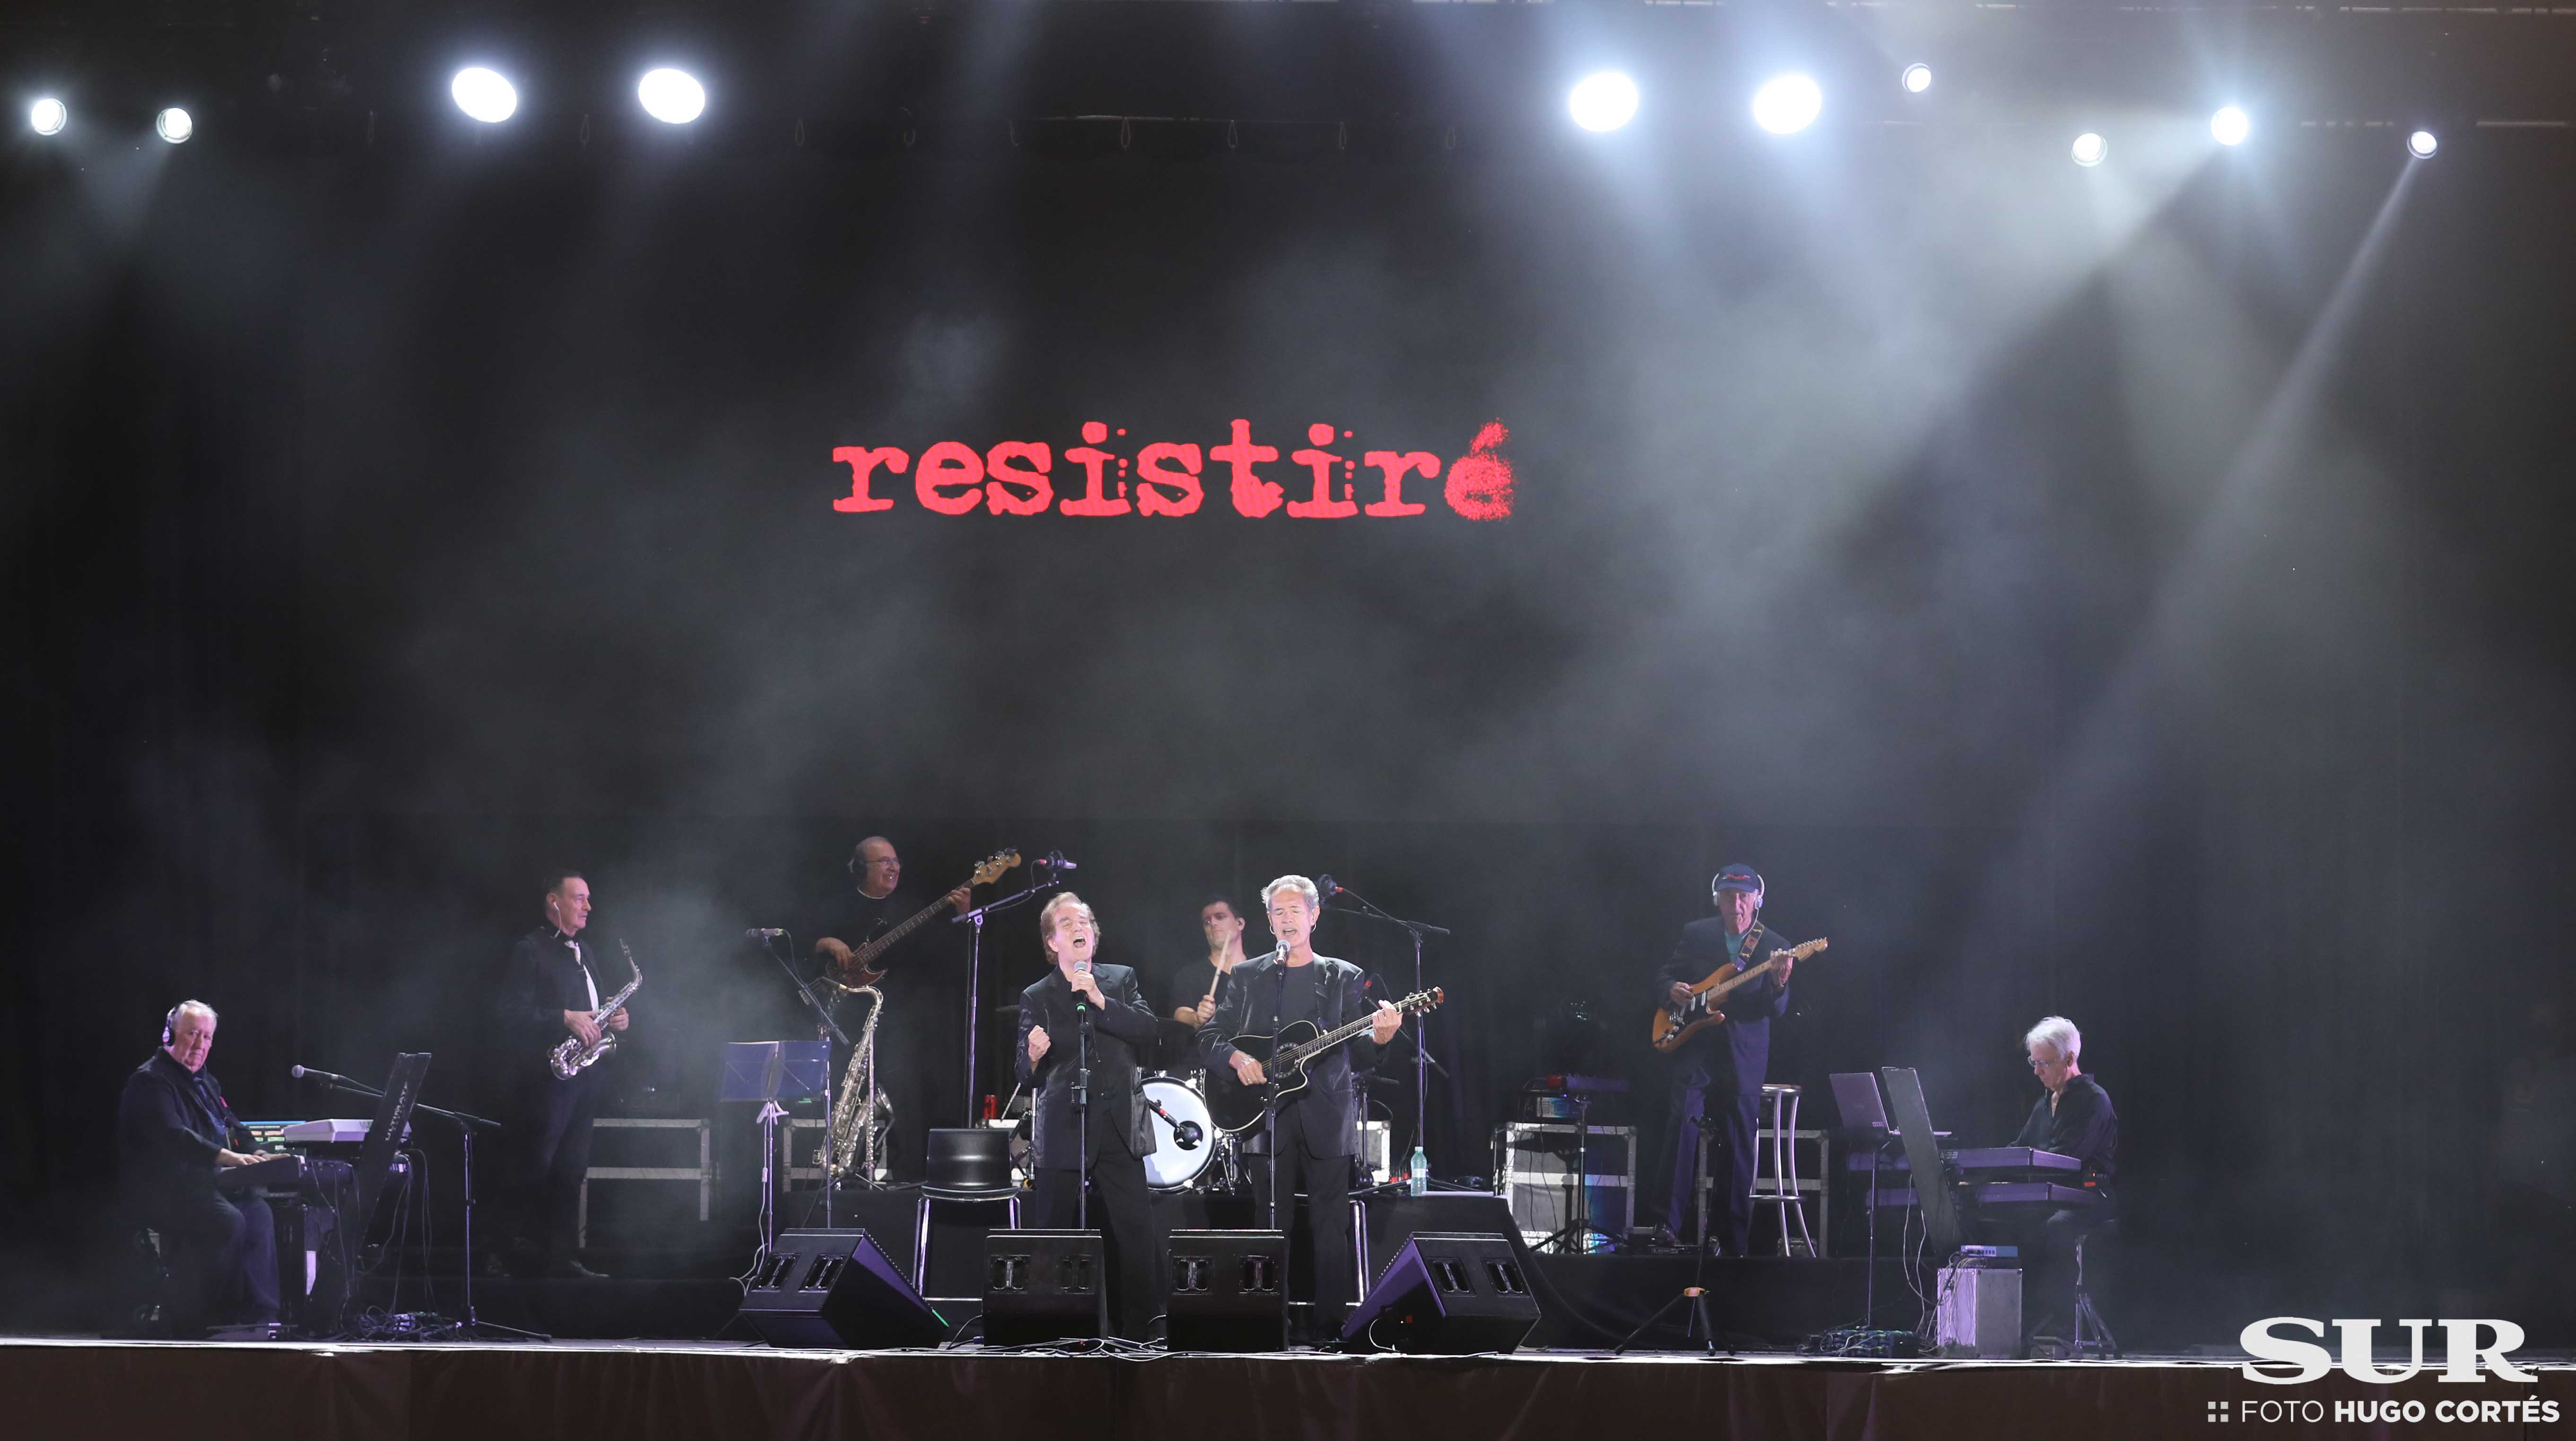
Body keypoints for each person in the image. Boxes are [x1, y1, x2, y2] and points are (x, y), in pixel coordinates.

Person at [1201, 874, 1403, 1343]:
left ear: (1314, 916)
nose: (1287, 919)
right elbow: (1210, 1036)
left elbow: (1362, 1051)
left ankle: (1332, 1324)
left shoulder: (1343, 976)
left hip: (1326, 1114)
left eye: (1295, 910)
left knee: (1329, 1223)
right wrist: (1236, 1057)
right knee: (1271, 1221)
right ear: (1269, 921)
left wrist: (1381, 1036)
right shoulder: (1249, 975)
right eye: (1278, 912)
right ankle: (1266, 1320)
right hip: (1264, 1114)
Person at [1014, 892, 1166, 1340]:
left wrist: (1100, 999)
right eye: (1067, 921)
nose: (1079, 925)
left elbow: (1148, 1029)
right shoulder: (1036, 995)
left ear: (1093, 935)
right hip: (1065, 1125)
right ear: (1052, 940)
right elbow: (1025, 1074)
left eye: (1085, 919)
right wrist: (1034, 1055)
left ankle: (1141, 1332)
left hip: (1119, 1124)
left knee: (1135, 1234)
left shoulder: (1119, 979)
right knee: (1056, 1234)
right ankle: (1053, 1329)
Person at [1654, 863, 1797, 1256]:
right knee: (1681, 1118)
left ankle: (1730, 1238)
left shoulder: (1774, 946)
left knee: (1739, 1137)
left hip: (1743, 1052)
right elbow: (1665, 976)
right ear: (1718, 898)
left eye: (1744, 895)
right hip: (1696, 1043)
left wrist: (1779, 982)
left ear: (1757, 899)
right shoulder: (1697, 933)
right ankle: (1666, 1224)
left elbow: (1775, 1008)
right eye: (1730, 894)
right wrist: (1674, 991)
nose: (1737, 902)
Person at [495, 870, 630, 1278]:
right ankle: (502, 1252)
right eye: (580, 898)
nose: (588, 906)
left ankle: (563, 1257)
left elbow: (595, 1011)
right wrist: (563, 1018)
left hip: (584, 1076)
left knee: (573, 1169)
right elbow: (510, 1014)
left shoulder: (585, 951)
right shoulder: (529, 950)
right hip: (544, 1079)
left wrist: (615, 1017)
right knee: (532, 1167)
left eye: (588, 899)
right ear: (555, 902)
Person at [116, 1000, 281, 1332]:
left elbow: (234, 1126)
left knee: (259, 1212)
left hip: (205, 1187)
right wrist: (226, 1156)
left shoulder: (207, 1083)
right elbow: (174, 1135)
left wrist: (261, 1153)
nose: (200, 1044)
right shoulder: (150, 1081)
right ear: (170, 1034)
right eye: (192, 1033)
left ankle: (262, 1319)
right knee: (229, 1220)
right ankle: (211, 1319)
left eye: (206, 1037)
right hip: (165, 1193)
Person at [809, 835, 969, 1166]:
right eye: (884, 861)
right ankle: (840, 1174)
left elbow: (945, 957)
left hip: (898, 1024)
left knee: (907, 1103)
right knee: (845, 1100)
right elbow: (805, 941)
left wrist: (963, 917)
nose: (893, 866)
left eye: (896, 861)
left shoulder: (911, 909)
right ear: (861, 868)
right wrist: (829, 942)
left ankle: (908, 1182)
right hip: (849, 1022)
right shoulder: (838, 906)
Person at [2011, 1015, 2117, 1352]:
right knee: (2004, 1222)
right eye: (2034, 1061)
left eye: (2044, 1062)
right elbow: (2021, 1147)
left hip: (2088, 1196)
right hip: (2052, 1196)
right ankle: (2016, 1322)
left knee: (2057, 1227)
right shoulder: (2045, 1103)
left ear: (2070, 1060)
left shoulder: (2093, 1100)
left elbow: (2066, 1157)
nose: (2036, 1071)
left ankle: (2060, 1319)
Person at [1165, 895, 1252, 1074]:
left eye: (1220, 917)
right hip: (1206, 1072)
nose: (1213, 923)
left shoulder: (1260, 972)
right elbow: (1181, 1016)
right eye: (1207, 921)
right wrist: (1197, 1018)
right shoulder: (1189, 975)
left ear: (1240, 924)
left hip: (1253, 1066)